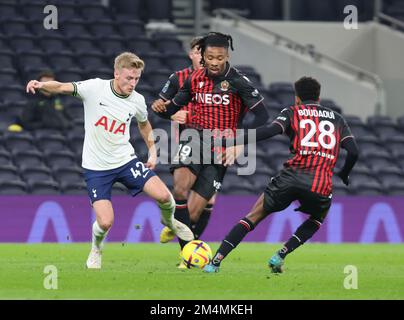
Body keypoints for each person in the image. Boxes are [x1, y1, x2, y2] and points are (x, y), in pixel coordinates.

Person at [26, 52, 194, 269]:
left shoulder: (137, 100)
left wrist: (152, 153)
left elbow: (144, 125)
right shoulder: (95, 88)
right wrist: (41, 85)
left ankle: (170, 222)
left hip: (125, 161)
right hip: (96, 168)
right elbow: (61, 87)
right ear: (116, 74)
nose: (133, 84)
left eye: (137, 79)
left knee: (164, 196)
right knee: (105, 222)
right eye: (128, 78)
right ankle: (96, 248)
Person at [203, 76, 359, 273]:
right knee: (317, 219)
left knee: (253, 217)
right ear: (318, 97)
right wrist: (344, 174)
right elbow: (353, 152)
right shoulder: (338, 119)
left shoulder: (292, 112)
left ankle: (215, 262)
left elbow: (270, 131)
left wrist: (230, 141)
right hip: (320, 184)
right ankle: (281, 255)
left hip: (290, 177)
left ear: (297, 98)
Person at [153, 32, 269, 266]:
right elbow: (172, 107)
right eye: (210, 57)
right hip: (194, 137)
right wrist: (161, 109)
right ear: (202, 56)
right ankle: (188, 253)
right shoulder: (193, 79)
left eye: (220, 57)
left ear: (227, 56)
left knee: (194, 213)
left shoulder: (238, 81)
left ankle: (184, 243)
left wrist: (238, 141)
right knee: (180, 189)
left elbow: (262, 116)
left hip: (221, 147)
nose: (215, 62)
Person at [152, 36, 218, 244]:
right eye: (198, 52)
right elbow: (158, 107)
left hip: (215, 144)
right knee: (181, 190)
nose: (201, 56)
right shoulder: (178, 78)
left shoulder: (223, 80)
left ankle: (182, 234)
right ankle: (186, 251)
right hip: (188, 141)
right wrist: (170, 115)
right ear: (191, 55)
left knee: (208, 201)